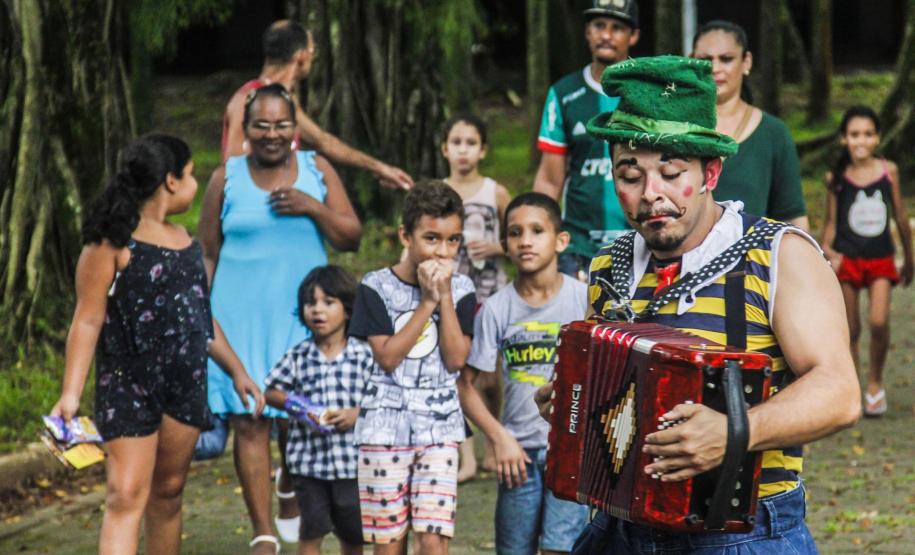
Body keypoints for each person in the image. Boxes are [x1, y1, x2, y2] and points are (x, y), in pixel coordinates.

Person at [536, 55, 860, 553]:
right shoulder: (609, 267)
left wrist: (736, 431)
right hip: (620, 528)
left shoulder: (781, 255)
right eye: (630, 174)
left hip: (746, 534)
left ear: (711, 171)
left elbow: (839, 393)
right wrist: (569, 405)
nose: (652, 195)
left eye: (671, 172)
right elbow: (613, 396)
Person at [50, 134, 265, 554]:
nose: (194, 183)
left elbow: (198, 319)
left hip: (183, 385)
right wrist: (70, 395)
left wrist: (237, 370)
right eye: (190, 175)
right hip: (128, 385)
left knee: (168, 492)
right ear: (169, 181)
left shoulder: (187, 242)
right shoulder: (111, 243)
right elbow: (88, 319)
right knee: (125, 495)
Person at [199, 84, 362, 554]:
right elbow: (207, 252)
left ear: (295, 129)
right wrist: (201, 307)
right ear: (245, 131)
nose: (272, 134)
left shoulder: (316, 168)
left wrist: (311, 206)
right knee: (251, 421)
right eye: (261, 125)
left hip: (302, 315)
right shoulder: (224, 178)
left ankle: (290, 485)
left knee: (297, 415)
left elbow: (351, 235)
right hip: (239, 314)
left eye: (282, 124)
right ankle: (262, 531)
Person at [459, 192, 590, 555]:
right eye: (515, 233)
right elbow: (466, 385)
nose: (526, 241)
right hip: (518, 452)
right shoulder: (496, 309)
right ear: (505, 245)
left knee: (561, 549)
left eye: (537, 230)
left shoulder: (585, 299)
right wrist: (498, 438)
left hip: (570, 451)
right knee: (514, 549)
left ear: (561, 240)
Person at [349, 181, 476, 554]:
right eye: (432, 239)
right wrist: (426, 302)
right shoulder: (374, 287)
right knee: (389, 542)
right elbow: (387, 357)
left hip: (439, 427)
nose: (443, 251)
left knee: (433, 539)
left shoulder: (463, 288)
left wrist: (446, 297)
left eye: (453, 241)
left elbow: (455, 359)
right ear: (406, 235)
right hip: (383, 429)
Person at [222, 20, 413, 191]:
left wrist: (380, 168)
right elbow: (233, 166)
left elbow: (324, 142)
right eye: (313, 52)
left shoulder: (285, 101)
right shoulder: (249, 99)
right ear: (302, 57)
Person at [264, 265, 372, 555]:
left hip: (353, 466)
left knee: (352, 536)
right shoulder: (299, 355)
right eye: (310, 303)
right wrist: (299, 407)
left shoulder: (363, 355)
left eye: (328, 302)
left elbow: (382, 398)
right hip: (309, 466)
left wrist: (356, 414)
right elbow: (271, 391)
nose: (317, 310)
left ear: (348, 309)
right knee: (311, 532)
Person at [534, 0, 640, 280]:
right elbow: (549, 179)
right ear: (587, 32)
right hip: (578, 247)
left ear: (634, 36)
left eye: (617, 27)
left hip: (641, 241)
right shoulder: (564, 94)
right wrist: (540, 236)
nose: (606, 34)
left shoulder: (647, 93)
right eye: (598, 25)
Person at [821, 106, 913, 417]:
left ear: (878, 138)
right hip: (848, 259)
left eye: (868, 134)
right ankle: (852, 387)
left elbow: (899, 216)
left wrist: (909, 258)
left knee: (877, 321)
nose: (861, 141)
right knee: (852, 328)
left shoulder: (889, 171)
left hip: (881, 259)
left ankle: (875, 382)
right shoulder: (835, 178)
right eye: (854, 134)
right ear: (844, 139)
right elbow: (832, 222)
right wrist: (825, 252)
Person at [440, 113, 511, 481]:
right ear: (445, 149)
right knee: (459, 372)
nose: (463, 150)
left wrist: (497, 246)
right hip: (450, 296)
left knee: (489, 375)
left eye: (470, 143)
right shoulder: (438, 192)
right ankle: (464, 453)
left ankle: (493, 441)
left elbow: (519, 237)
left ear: (482, 150)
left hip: (489, 293)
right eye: (456, 143)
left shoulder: (494, 191)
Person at [692, 20, 809, 230]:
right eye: (706, 60)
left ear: (746, 62)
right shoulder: (675, 128)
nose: (715, 68)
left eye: (726, 59)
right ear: (691, 61)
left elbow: (793, 218)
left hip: (754, 260)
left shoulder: (774, 133)